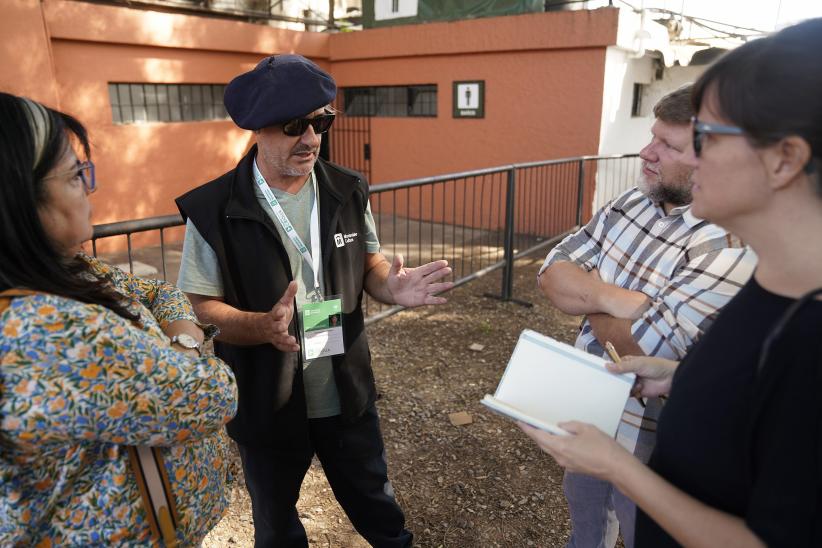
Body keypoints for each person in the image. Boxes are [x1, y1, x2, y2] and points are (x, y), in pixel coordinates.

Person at [521, 17, 822, 547]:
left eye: (704, 137)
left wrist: (619, 466)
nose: (660, 157)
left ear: (786, 159)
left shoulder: (800, 321)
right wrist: (675, 372)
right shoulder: (777, 287)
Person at [175, 54, 453, 547]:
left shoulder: (347, 190)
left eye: (321, 122)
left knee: (376, 503)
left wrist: (394, 286)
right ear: (258, 129)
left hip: (343, 386)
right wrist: (261, 326)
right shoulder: (213, 208)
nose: (310, 138)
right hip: (267, 397)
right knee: (276, 524)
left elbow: (371, 265)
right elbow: (198, 305)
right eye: (293, 125)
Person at [0, 92, 238, 545]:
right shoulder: (53, 331)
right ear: (19, 197)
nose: (90, 189)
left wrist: (179, 340)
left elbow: (156, 289)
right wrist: (187, 345)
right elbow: (214, 393)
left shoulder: (67, 269)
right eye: (75, 175)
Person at [536, 85, 756, 547]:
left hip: (655, 438)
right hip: (590, 403)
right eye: (652, 136)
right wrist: (624, 303)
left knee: (644, 532)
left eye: (668, 145)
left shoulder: (729, 242)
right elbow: (550, 273)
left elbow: (648, 350)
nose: (646, 152)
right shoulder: (630, 202)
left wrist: (589, 289)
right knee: (585, 516)